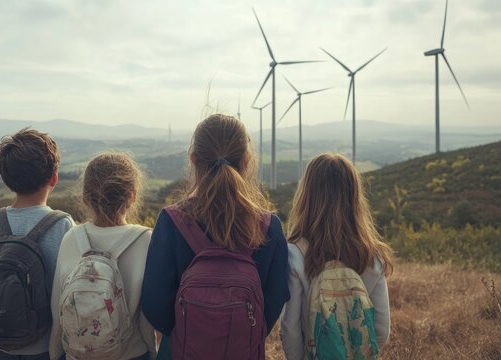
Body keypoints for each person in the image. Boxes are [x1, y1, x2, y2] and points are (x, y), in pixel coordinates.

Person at [141, 114, 290, 359]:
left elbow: (154, 304)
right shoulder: (269, 226)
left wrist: (193, 330)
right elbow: (274, 302)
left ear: (193, 161)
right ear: (246, 162)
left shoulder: (171, 222)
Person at [0, 128, 74, 360]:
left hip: (1, 344)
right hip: (48, 347)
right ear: (54, 178)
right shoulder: (62, 225)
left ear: (7, 180)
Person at [280, 153, 394, 360]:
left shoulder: (295, 254)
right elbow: (381, 330)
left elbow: (291, 329)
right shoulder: (372, 256)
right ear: (354, 197)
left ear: (306, 196)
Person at [49, 153, 156, 360]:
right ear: (132, 196)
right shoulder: (146, 240)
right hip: (131, 353)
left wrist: (55, 352)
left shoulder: (71, 238)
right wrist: (152, 351)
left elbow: (58, 307)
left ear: (84, 197)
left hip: (78, 354)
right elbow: (147, 315)